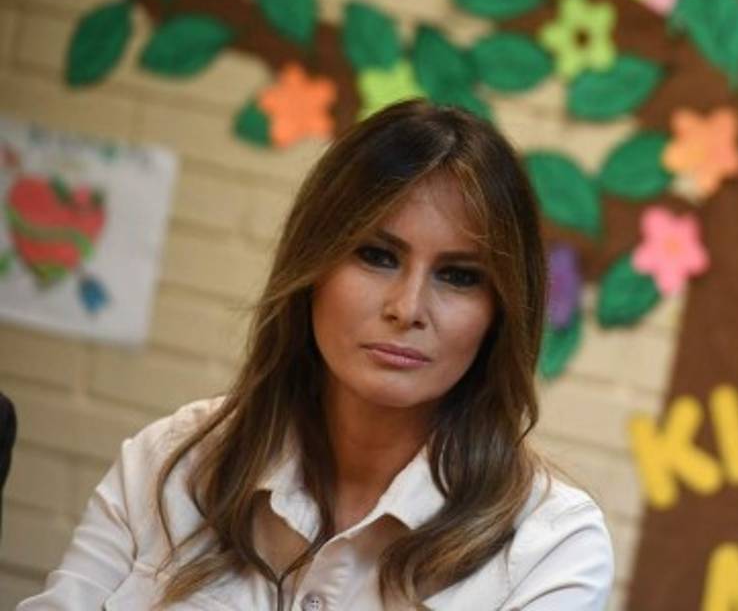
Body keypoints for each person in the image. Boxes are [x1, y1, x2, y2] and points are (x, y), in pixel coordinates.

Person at [19, 100, 614, 610]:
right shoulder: (171, 462)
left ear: (500, 314)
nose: (408, 307)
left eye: (459, 276)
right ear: (312, 268)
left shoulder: (552, 542)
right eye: (378, 256)